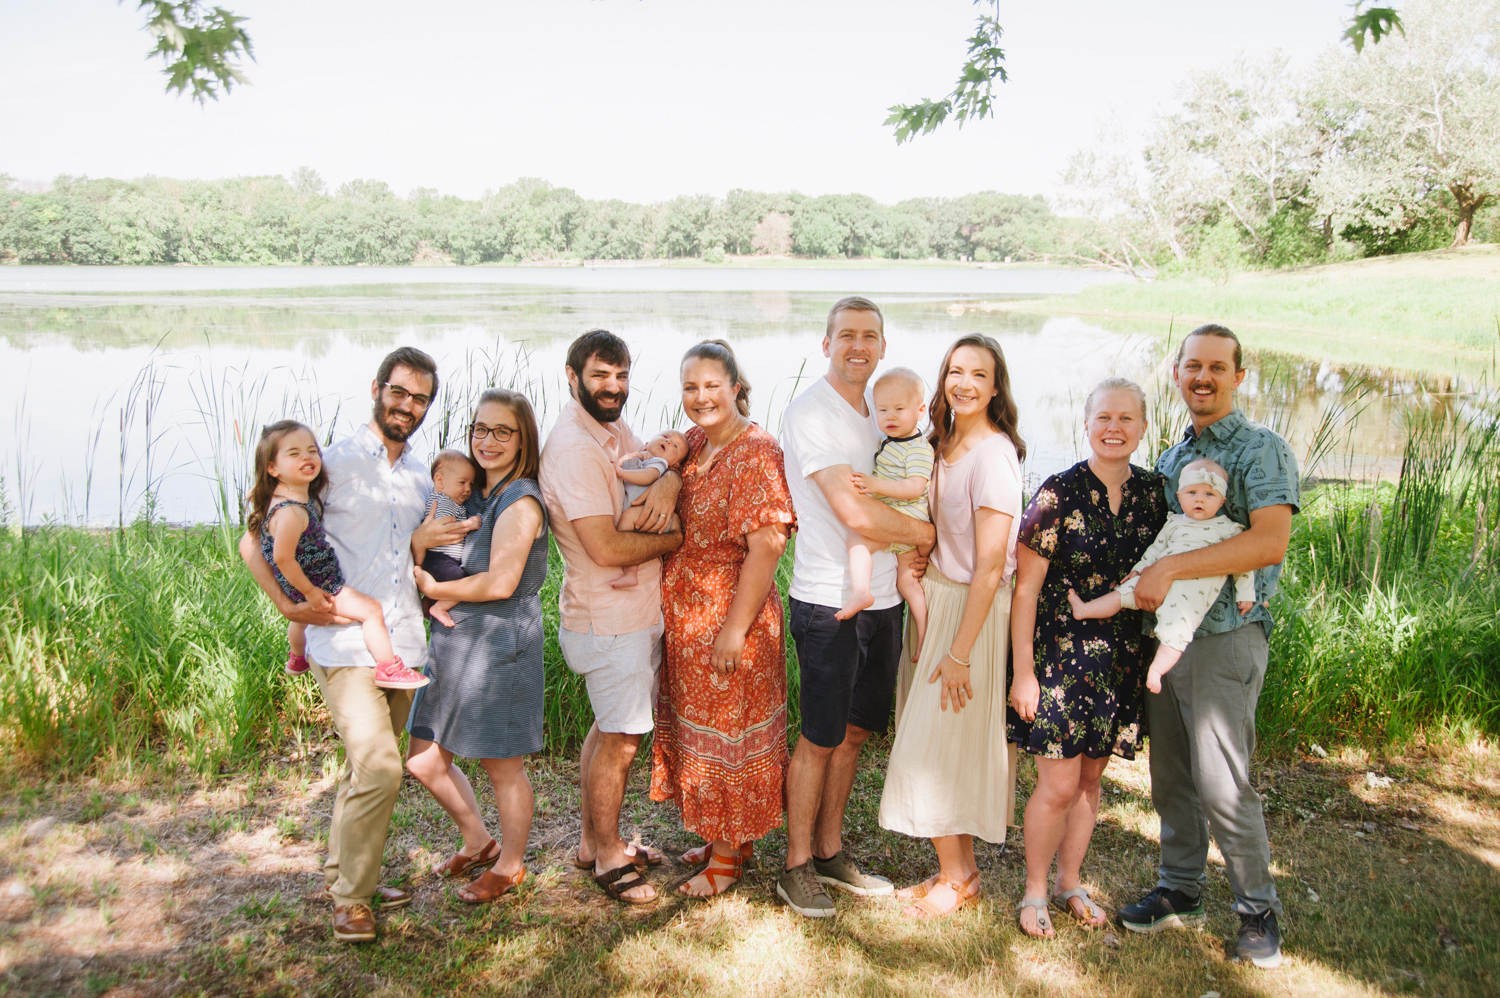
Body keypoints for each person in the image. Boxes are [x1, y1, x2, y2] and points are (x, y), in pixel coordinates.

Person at [237, 346, 475, 944]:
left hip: (403, 644)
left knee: (362, 768)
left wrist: (426, 544)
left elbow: (415, 553)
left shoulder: (426, 475)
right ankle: (351, 900)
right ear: (377, 388)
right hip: (344, 643)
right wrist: (285, 604)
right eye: (399, 392)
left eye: (420, 398)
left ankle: (348, 869)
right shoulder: (332, 463)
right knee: (381, 767)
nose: (408, 406)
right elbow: (257, 534)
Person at [1115, 324, 1298, 971]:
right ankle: (1179, 888)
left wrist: (1170, 573)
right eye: (1193, 365)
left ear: (1238, 377)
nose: (1204, 377)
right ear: (1177, 374)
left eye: (1218, 367)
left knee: (1224, 781)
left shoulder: (1260, 450)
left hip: (1225, 638)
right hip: (1167, 641)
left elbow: (1267, 542)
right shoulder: (1171, 459)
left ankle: (1256, 910)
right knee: (1172, 777)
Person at [776, 296, 935, 919]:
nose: (858, 346)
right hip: (829, 600)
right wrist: (924, 538)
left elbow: (917, 481)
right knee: (818, 736)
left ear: (883, 346)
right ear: (826, 343)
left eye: (870, 336)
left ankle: (830, 850)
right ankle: (794, 868)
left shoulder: (883, 410)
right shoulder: (809, 412)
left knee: (858, 729)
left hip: (886, 597)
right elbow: (854, 512)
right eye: (846, 335)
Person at [1006, 378, 1169, 938]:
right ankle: (1033, 891)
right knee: (1055, 785)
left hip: (1120, 658)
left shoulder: (1157, 494)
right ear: (1086, 424)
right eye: (1103, 417)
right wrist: (1023, 672)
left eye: (1126, 419)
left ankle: (1070, 881)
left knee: (1090, 782)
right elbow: (1024, 590)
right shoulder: (1057, 493)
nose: (1114, 428)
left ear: (1143, 427)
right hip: (1058, 658)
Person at [878, 333, 1024, 919]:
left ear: (995, 387)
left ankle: (958, 874)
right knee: (942, 741)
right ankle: (957, 872)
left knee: (935, 741)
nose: (963, 383)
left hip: (973, 614)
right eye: (954, 371)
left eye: (978, 375)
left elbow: (990, 565)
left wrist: (961, 650)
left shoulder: (994, 454)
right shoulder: (941, 442)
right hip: (937, 598)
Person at [539, 328, 684, 906]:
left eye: (621, 375)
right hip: (609, 619)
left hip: (629, 613)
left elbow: (649, 465)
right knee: (622, 739)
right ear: (572, 376)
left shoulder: (610, 430)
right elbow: (605, 548)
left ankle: (591, 840)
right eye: (600, 375)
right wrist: (675, 537)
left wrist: (670, 479)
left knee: (607, 729)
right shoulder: (573, 447)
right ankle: (606, 858)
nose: (613, 387)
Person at [650, 340, 796, 897]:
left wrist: (734, 629)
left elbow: (768, 546)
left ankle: (728, 860)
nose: (701, 397)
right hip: (687, 616)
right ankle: (723, 835)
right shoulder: (694, 442)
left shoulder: (756, 450)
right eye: (690, 387)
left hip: (732, 613)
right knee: (702, 733)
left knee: (729, 736)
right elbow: (657, 458)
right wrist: (667, 474)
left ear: (736, 386)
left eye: (713, 385)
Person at [406, 389, 549, 904]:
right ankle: (477, 839)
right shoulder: (475, 494)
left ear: (522, 438)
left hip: (499, 645)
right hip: (453, 642)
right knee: (422, 759)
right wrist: (421, 545)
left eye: (502, 431)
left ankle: (510, 864)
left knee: (502, 765)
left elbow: (500, 583)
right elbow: (428, 543)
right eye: (479, 429)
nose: (487, 441)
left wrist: (433, 588)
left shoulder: (521, 499)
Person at [249, 420, 426, 688]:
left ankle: (297, 658)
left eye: (312, 450)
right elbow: (282, 557)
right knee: (370, 610)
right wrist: (308, 592)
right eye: (294, 454)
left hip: (300, 586)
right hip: (320, 585)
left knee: (300, 623)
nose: (307, 457)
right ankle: (388, 666)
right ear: (272, 468)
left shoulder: (288, 499)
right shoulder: (291, 511)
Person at [1069, 457, 1256, 694]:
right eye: (1192, 492)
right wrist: (1139, 569)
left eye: (1209, 495)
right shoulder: (1173, 523)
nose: (1199, 499)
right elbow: (1155, 549)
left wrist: (1246, 593)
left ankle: (1157, 670)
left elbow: (1242, 562)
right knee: (1123, 594)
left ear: (1222, 501)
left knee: (1176, 630)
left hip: (1192, 589)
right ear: (1179, 496)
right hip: (1154, 576)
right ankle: (1085, 609)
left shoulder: (1228, 529)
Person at [838, 367, 935, 658]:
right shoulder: (891, 442)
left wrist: (875, 485)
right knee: (906, 582)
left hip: (907, 520)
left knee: (857, 541)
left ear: (920, 410)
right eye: (882, 410)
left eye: (899, 409)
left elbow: (916, 486)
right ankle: (924, 636)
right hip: (897, 521)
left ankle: (861, 591)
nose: (889, 416)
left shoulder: (917, 448)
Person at [610, 430, 690, 589]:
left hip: (650, 513)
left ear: (674, 465)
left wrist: (621, 472)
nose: (668, 442)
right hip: (644, 509)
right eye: (665, 437)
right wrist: (637, 455)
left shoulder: (659, 463)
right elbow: (624, 460)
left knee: (627, 518)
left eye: (675, 446)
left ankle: (631, 573)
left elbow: (648, 477)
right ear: (647, 442)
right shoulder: (643, 458)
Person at [420, 449, 482, 628]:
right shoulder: (441, 502)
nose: (468, 489)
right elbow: (443, 531)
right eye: (462, 482)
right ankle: (438, 607)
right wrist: (468, 525)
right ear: (439, 480)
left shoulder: (451, 501)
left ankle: (429, 602)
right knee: (461, 582)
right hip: (438, 559)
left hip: (445, 560)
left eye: (471, 484)